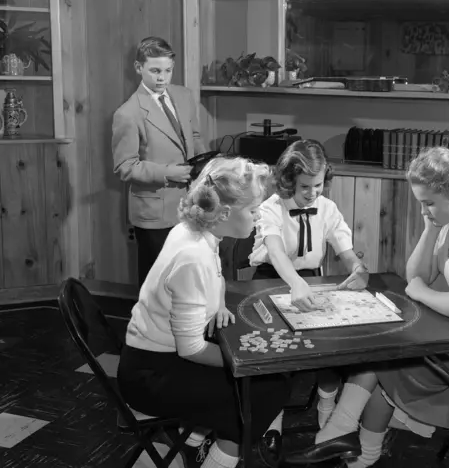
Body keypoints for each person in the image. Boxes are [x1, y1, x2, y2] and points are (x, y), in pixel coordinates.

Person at [284, 147, 449, 467]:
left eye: (428, 203)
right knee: (382, 345)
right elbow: (419, 275)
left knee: (391, 358)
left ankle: (356, 445)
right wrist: (431, 227)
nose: (424, 211)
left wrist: (418, 290)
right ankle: (343, 434)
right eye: (420, 204)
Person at [117, 157, 290, 468]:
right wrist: (246, 361)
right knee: (260, 392)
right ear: (224, 212)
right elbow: (191, 349)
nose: (258, 216)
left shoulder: (195, 231)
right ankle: (215, 458)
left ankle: (196, 442)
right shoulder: (192, 255)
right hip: (151, 374)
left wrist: (219, 304)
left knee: (269, 383)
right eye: (252, 210)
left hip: (155, 357)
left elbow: (216, 277)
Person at [249, 139, 370, 429]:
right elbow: (276, 252)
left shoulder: (327, 208)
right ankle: (272, 420)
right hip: (271, 279)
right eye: (305, 187)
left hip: (313, 279)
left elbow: (345, 250)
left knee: (327, 343)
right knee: (274, 351)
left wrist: (358, 268)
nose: (313, 193)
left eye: (318, 186)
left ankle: (327, 404)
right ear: (289, 181)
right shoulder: (270, 208)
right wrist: (295, 282)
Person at [112, 36, 207, 288]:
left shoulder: (183, 96)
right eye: (155, 71)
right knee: (157, 284)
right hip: (154, 213)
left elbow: (194, 136)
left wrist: (206, 164)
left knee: (187, 279)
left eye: (168, 70)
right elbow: (125, 166)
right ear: (138, 68)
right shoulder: (128, 113)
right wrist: (168, 173)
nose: (162, 77)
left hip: (190, 205)